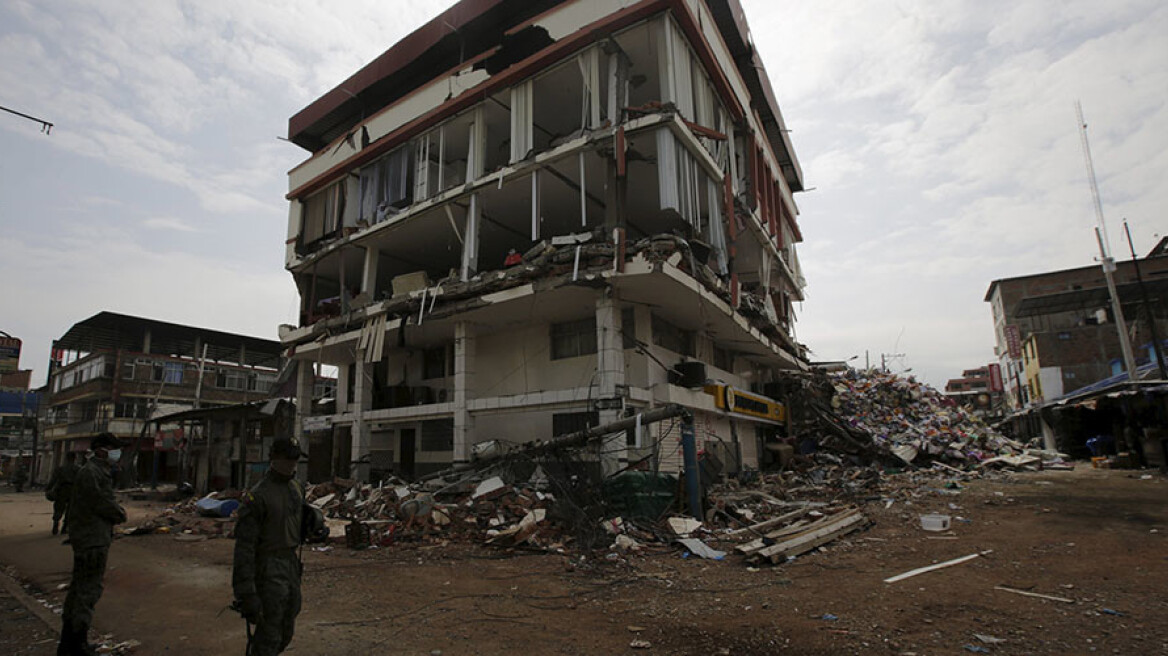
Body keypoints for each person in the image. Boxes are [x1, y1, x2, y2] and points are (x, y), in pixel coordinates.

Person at [232, 438, 306, 656]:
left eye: (294, 460)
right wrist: (246, 592)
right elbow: (244, 548)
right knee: (268, 634)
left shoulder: (295, 488)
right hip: (268, 567)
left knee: (286, 628)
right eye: (287, 459)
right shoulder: (259, 496)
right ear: (274, 458)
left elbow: (296, 522)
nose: (291, 465)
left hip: (290, 563)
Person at [59, 433, 127, 656]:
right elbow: (102, 502)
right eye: (113, 449)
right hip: (92, 539)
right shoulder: (92, 473)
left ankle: (72, 643)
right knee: (87, 591)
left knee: (80, 591)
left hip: (90, 536)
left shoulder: (95, 472)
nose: (117, 454)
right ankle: (76, 645)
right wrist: (120, 514)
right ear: (101, 450)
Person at [46, 453, 79, 535]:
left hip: (61, 490)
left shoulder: (60, 469)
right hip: (73, 491)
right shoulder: (78, 469)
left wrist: (48, 488)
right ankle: (65, 527)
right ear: (75, 459)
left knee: (58, 508)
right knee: (70, 510)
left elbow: (53, 480)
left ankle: (56, 523)